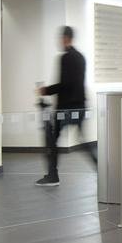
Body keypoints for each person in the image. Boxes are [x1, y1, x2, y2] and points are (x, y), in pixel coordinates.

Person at [36, 26, 92, 186]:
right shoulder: (81, 57)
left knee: (51, 139)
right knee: (83, 142)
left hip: (66, 108)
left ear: (66, 38)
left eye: (61, 38)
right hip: (80, 106)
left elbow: (65, 84)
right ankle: (101, 169)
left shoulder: (65, 58)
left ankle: (53, 175)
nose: (59, 41)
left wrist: (45, 90)